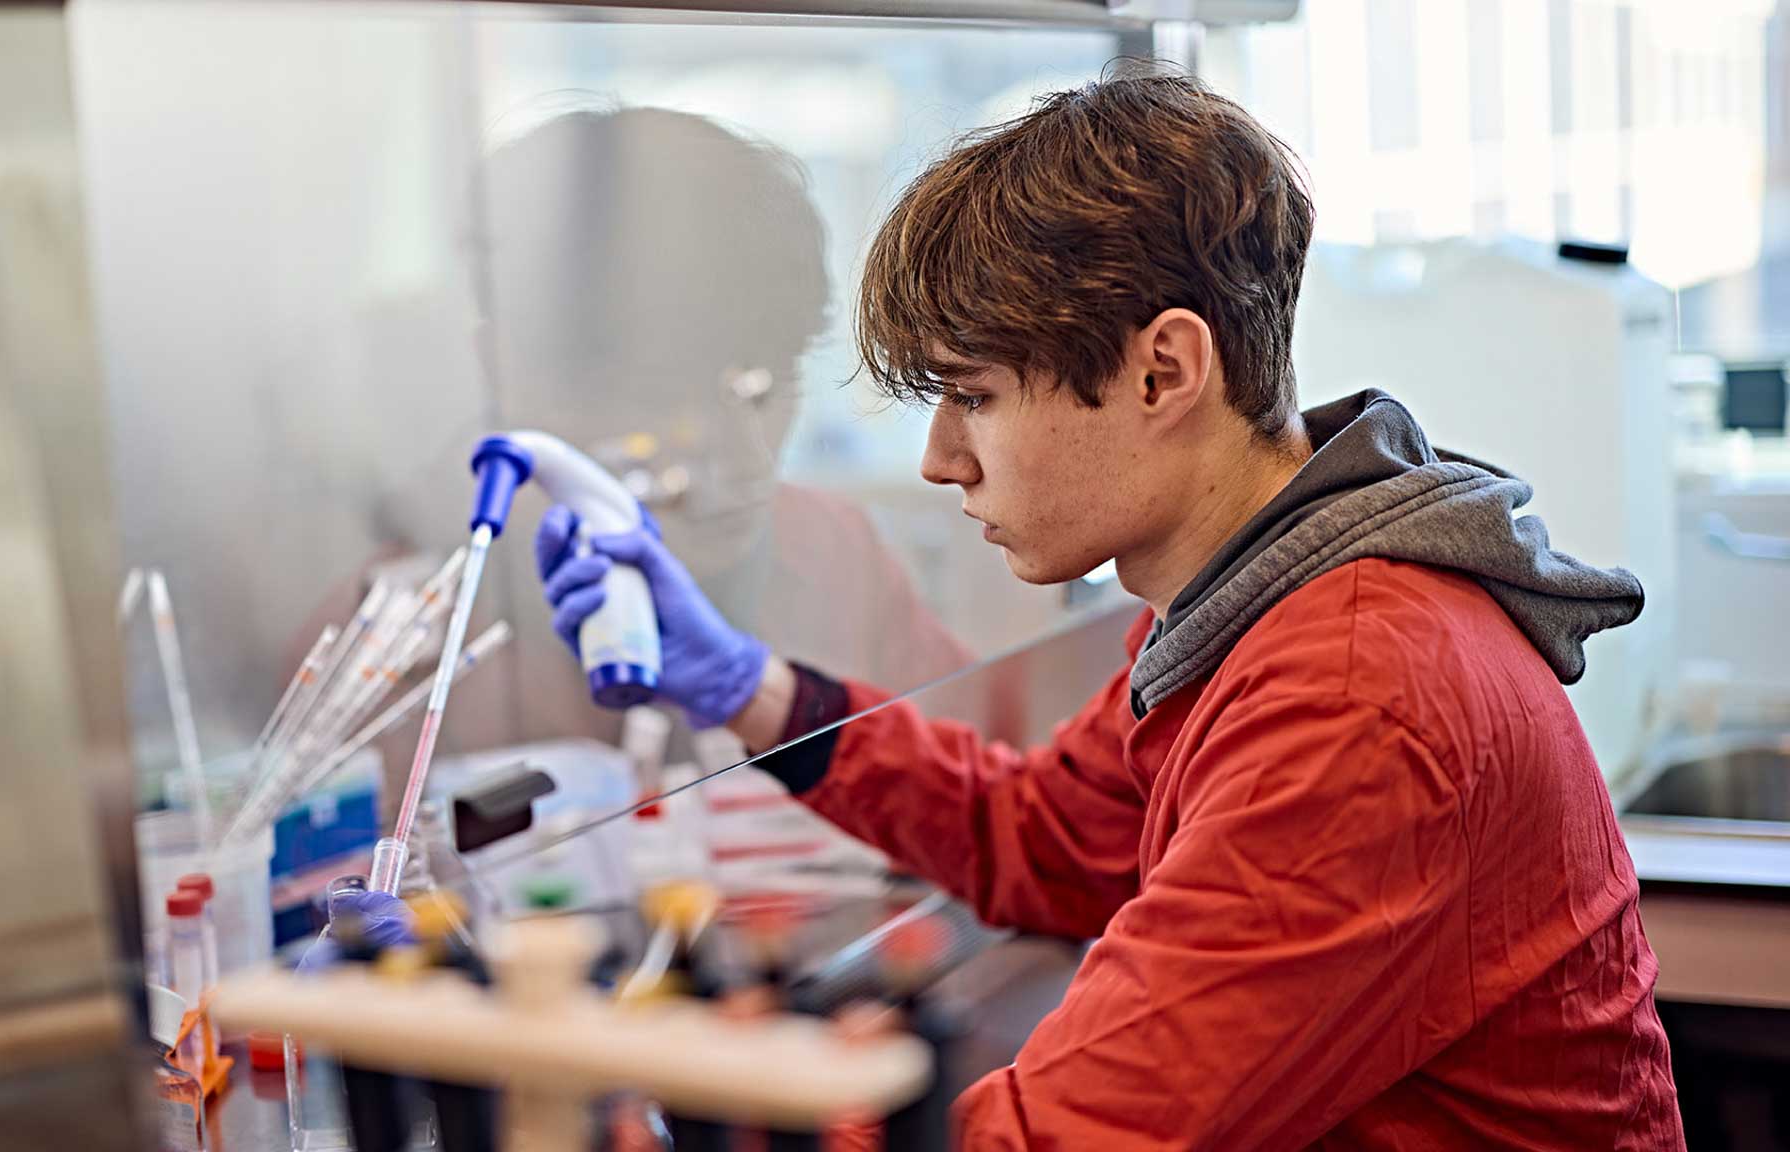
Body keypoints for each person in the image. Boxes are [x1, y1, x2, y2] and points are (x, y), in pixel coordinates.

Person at [533, 68, 1685, 1148]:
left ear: (1162, 373)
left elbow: (1070, 1135)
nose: (941, 462)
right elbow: (1034, 836)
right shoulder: (1248, 600)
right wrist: (750, 687)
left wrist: (703, 1116)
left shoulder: (1351, 697)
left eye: (971, 397)